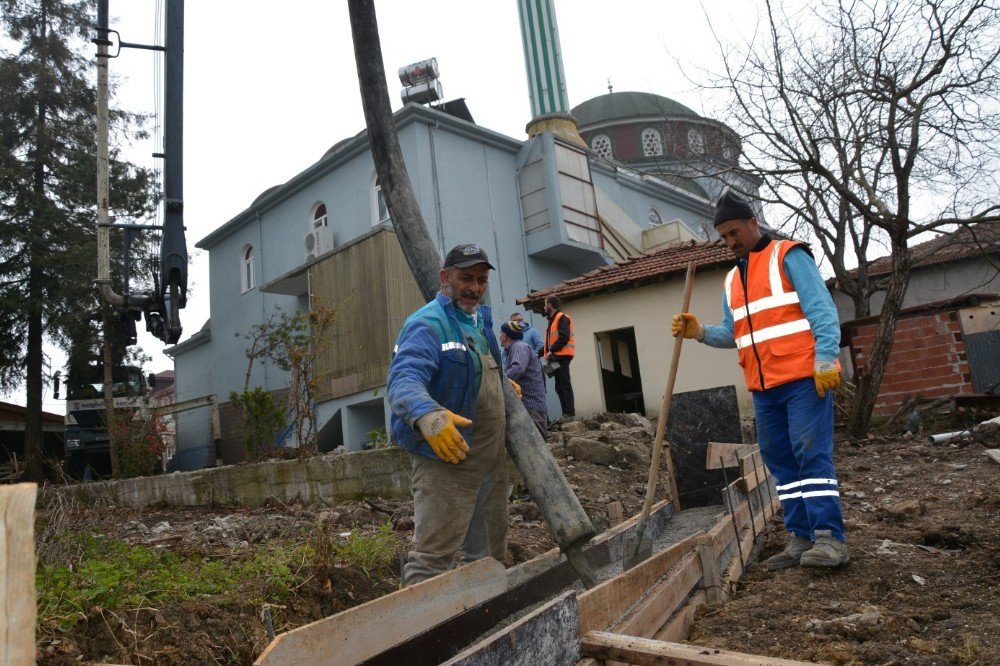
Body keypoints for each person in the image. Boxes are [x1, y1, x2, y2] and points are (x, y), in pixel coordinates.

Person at [671, 191, 848, 569]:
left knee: (810, 453)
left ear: (753, 224)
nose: (730, 241)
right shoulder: (733, 279)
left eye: (735, 231)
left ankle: (830, 539)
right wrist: (700, 331)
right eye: (723, 236)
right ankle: (800, 538)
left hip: (803, 378)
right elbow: (735, 334)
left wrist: (826, 358)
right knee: (782, 462)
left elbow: (821, 309)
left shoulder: (789, 255)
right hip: (763, 387)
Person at [387, 243, 509, 585]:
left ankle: (485, 625)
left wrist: (502, 384)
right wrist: (427, 415)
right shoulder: (427, 323)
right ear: (445, 277)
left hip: (488, 461)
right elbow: (404, 378)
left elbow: (470, 372)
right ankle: (421, 635)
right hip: (447, 461)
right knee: (432, 562)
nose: (475, 287)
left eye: (482, 280)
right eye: (466, 278)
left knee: (488, 558)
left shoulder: (479, 322)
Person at [499, 320, 548, 436]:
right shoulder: (517, 348)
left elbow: (517, 369)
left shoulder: (519, 347)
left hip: (531, 407)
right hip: (530, 407)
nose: (499, 335)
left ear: (505, 336)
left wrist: (499, 382)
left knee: (536, 448)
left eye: (500, 332)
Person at [543, 295, 575, 418]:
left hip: (562, 356)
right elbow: (549, 342)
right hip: (557, 357)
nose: (544, 307)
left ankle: (570, 413)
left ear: (550, 305)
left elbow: (564, 337)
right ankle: (565, 413)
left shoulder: (562, 318)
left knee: (564, 384)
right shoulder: (553, 320)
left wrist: (552, 351)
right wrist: (540, 353)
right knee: (559, 386)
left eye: (545, 304)